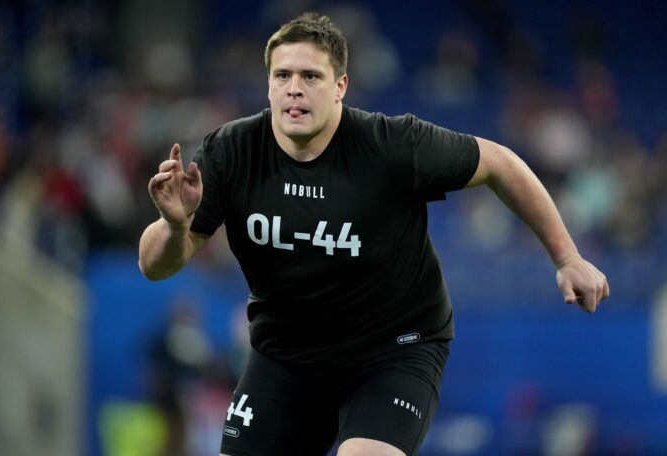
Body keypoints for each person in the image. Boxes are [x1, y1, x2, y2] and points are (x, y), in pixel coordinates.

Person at [138, 12, 610, 456]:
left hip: (393, 353)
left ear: (340, 85)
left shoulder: (392, 146)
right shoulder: (232, 151)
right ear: (268, 86)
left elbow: (501, 164)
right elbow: (154, 266)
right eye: (282, 76)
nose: (294, 89)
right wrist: (174, 224)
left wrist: (567, 258)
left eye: (311, 76)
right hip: (284, 356)